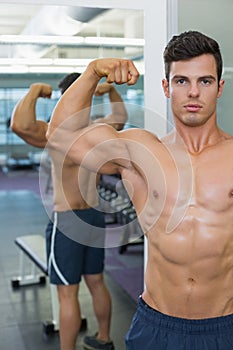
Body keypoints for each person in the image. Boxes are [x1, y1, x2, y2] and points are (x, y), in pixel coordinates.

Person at [46, 30, 233, 350]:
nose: (193, 92)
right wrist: (92, 72)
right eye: (181, 81)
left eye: (204, 81)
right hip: (157, 324)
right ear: (166, 87)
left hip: (225, 324)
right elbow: (59, 137)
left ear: (219, 88)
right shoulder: (138, 153)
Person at [11, 73, 128, 350]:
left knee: (67, 293)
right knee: (97, 282)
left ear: (67, 99)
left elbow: (20, 124)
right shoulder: (98, 131)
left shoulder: (57, 134)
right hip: (93, 215)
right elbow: (120, 116)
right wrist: (110, 91)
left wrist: (34, 89)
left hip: (68, 220)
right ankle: (103, 338)